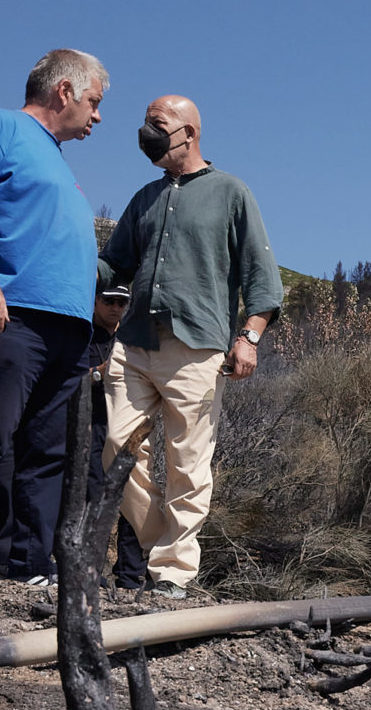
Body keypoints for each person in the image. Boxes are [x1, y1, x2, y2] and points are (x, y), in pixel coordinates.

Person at [98, 95, 284, 600]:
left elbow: (262, 280)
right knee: (116, 448)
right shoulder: (144, 198)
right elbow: (113, 266)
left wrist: (248, 338)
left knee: (187, 462)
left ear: (190, 132)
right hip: (134, 343)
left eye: (157, 124)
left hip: (197, 348)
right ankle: (166, 544)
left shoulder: (231, 193)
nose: (146, 133)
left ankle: (174, 574)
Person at [0, 49, 108, 584]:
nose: (97, 116)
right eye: (94, 102)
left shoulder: (55, 155)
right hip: (13, 315)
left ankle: (27, 566)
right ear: (64, 91)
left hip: (68, 327)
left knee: (48, 450)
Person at [84, 284, 149, 591]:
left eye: (121, 302)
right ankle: (88, 570)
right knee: (95, 497)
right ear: (95, 301)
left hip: (133, 428)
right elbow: (70, 379)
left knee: (134, 499)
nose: (115, 307)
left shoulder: (134, 339)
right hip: (96, 425)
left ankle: (130, 575)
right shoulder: (82, 335)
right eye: (108, 301)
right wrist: (100, 372)